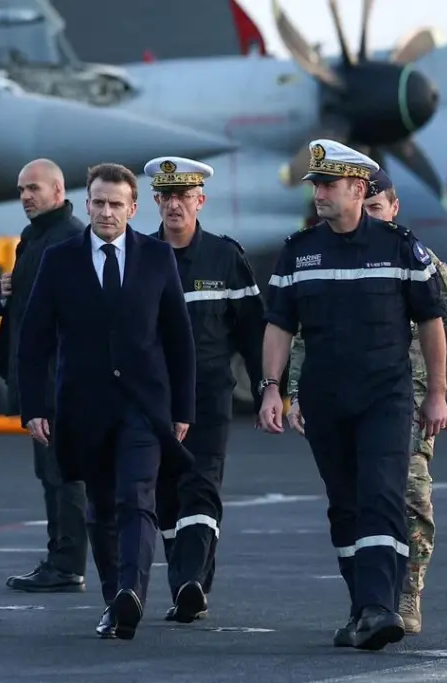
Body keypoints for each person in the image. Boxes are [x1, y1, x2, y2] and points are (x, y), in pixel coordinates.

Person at [258, 140, 447, 651]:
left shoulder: (400, 246)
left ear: (358, 189)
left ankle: (381, 606)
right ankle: (363, 608)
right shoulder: (298, 251)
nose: (318, 193)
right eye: (315, 185)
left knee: (381, 494)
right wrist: (271, 388)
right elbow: (279, 324)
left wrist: (437, 393)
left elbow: (432, 323)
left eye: (328, 184)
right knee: (344, 504)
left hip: (386, 396)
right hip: (325, 398)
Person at [285, 167, 447, 635]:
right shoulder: (324, 256)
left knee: (408, 492)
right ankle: (371, 601)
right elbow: (307, 334)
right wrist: (294, 389)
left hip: (407, 395)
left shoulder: (416, 259)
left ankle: (405, 594)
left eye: (376, 208)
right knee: (354, 496)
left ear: (393, 208)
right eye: (364, 208)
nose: (368, 216)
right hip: (346, 395)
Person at [17, 162, 196, 641]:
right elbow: (33, 338)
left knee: (137, 497)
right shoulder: (60, 259)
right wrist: (33, 406)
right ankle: (115, 597)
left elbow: (178, 338)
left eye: (116, 204)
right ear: (87, 203)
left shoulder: (157, 257)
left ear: (133, 209)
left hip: (144, 406)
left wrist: (183, 409)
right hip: (84, 407)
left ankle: (131, 592)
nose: (106, 212)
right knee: (100, 507)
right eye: (98, 202)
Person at [143, 156, 266, 622]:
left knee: (201, 484)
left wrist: (268, 390)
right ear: (156, 201)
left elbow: (253, 331)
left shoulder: (225, 257)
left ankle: (189, 580)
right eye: (166, 196)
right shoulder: (139, 256)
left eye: (183, 196)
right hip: (155, 397)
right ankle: (188, 582)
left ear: (201, 200)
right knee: (165, 494)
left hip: (209, 394)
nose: (174, 205)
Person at [0, 159, 88, 594]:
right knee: (51, 473)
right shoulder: (33, 239)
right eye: (21, 190)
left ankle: (67, 563)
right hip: (41, 380)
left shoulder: (70, 238)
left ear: (58, 190)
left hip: (60, 382)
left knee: (63, 473)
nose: (25, 197)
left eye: (33, 188)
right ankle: (61, 559)